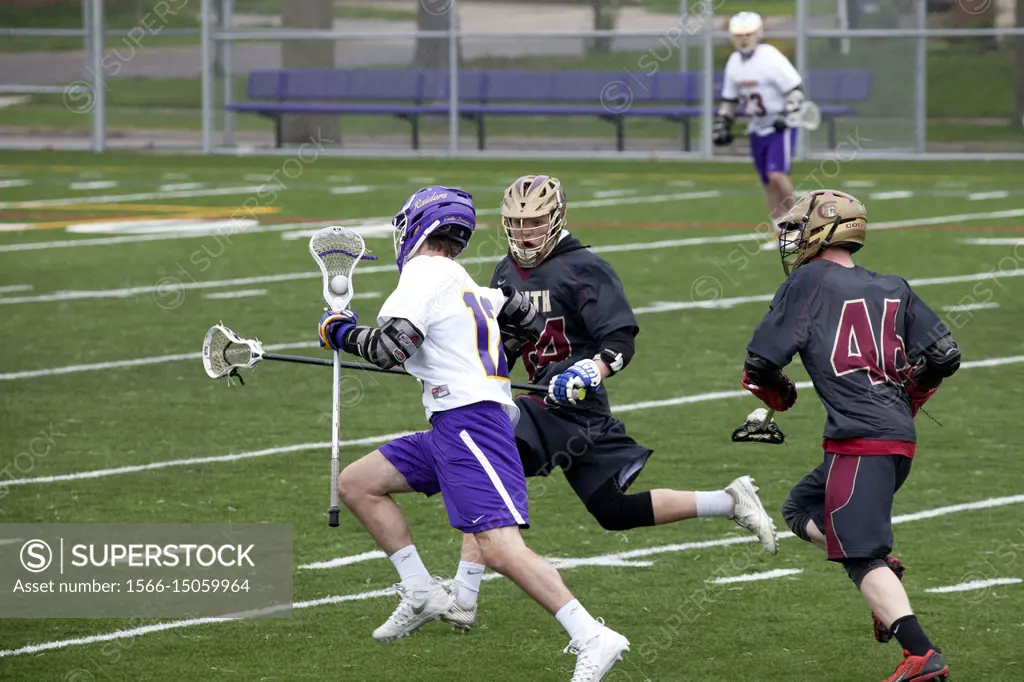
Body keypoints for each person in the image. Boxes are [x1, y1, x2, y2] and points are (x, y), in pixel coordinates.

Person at [318, 186, 630, 682]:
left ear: (416, 226)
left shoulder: (425, 274)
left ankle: (592, 634)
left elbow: (390, 348)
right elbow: (524, 320)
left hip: (472, 423)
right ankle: (421, 592)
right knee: (358, 483)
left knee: (499, 547)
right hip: (452, 420)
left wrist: (338, 332)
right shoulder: (459, 277)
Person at [440, 174, 779, 631]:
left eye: (534, 222)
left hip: (576, 408)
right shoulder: (504, 272)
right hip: (545, 403)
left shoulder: (583, 267)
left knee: (491, 469)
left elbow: (619, 338)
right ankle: (728, 500)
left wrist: (588, 370)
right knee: (609, 510)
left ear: (556, 217)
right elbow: (505, 347)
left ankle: (463, 596)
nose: (524, 232)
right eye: (516, 223)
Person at [741, 189, 959, 682]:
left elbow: (760, 363)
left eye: (797, 229)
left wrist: (779, 395)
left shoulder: (808, 281)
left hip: (860, 440)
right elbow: (945, 355)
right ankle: (885, 574)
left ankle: (920, 654)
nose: (791, 240)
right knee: (799, 508)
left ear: (823, 231)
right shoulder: (894, 285)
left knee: (860, 555)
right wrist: (911, 398)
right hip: (895, 438)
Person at [713, 11, 804, 250]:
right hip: (757, 126)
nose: (744, 39)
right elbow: (729, 100)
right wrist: (723, 122)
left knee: (777, 175)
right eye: (739, 35)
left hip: (780, 125)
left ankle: (799, 225)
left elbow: (795, 89)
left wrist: (786, 114)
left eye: (748, 34)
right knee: (766, 181)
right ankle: (779, 231)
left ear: (758, 34)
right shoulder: (734, 62)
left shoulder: (770, 57)